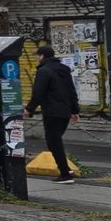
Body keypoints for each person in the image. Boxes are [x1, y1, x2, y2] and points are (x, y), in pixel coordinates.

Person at [26, 43, 80, 184]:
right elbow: (71, 91)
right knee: (56, 141)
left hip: (52, 111)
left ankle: (65, 174)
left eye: (38, 56)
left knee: (54, 143)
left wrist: (29, 109)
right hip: (65, 112)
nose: (37, 59)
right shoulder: (64, 70)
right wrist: (75, 110)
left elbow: (38, 93)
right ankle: (66, 170)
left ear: (42, 56)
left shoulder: (44, 71)